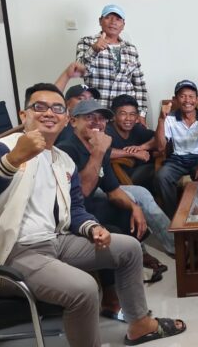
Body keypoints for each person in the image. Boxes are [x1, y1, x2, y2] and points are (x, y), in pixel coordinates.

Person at [0, 83, 185, 347]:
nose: (49, 113)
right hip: (9, 253)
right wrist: (12, 161)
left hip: (56, 240)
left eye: (57, 108)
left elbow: (75, 207)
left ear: (65, 118)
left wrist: (92, 228)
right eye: (39, 107)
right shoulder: (2, 148)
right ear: (23, 115)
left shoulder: (63, 160)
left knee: (129, 248)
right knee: (85, 289)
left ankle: (140, 325)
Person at [57, 100, 173, 302]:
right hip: (71, 216)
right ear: (73, 121)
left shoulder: (98, 147)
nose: (97, 122)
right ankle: (110, 295)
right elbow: (80, 193)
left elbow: (113, 190)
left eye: (101, 118)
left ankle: (127, 270)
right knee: (111, 233)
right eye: (89, 117)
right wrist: (99, 152)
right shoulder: (67, 150)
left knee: (130, 215)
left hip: (89, 208)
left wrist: (135, 207)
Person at [155, 80, 198, 217]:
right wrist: (161, 120)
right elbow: (160, 147)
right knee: (162, 176)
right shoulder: (169, 118)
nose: (187, 100)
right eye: (182, 96)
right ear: (175, 99)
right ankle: (173, 218)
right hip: (177, 159)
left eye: (191, 96)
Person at [76, 4, 149, 124]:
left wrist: (141, 114)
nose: (113, 22)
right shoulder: (87, 42)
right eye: (108, 17)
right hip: (96, 112)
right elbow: (80, 72)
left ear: (123, 25)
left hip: (124, 116)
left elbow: (139, 85)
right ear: (100, 21)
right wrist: (94, 50)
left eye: (118, 19)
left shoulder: (131, 49)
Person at [107, 94, 157, 192]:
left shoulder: (137, 128)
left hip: (136, 174)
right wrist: (133, 153)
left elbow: (158, 138)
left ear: (137, 116)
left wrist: (143, 147)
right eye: (123, 114)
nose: (128, 118)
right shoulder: (107, 130)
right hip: (117, 181)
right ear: (114, 116)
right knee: (157, 170)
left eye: (132, 114)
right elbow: (100, 150)